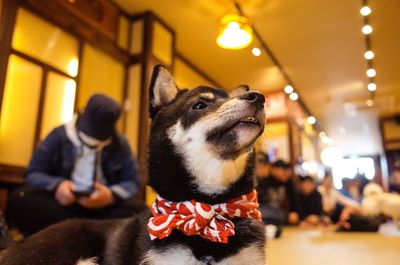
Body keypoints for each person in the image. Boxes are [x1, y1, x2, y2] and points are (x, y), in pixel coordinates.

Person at [7, 94, 146, 235]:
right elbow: (33, 173)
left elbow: (133, 181)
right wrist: (58, 186)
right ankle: (89, 233)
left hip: (103, 210)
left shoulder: (120, 144)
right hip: (63, 206)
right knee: (20, 198)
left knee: (142, 212)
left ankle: (74, 232)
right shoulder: (58, 135)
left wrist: (110, 195)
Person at [257, 159, 300, 226]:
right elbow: (259, 205)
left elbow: (295, 202)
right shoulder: (264, 182)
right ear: (274, 169)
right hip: (270, 216)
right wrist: (286, 215)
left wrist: (298, 215)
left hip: (280, 218)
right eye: (284, 170)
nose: (287, 173)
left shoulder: (288, 183)